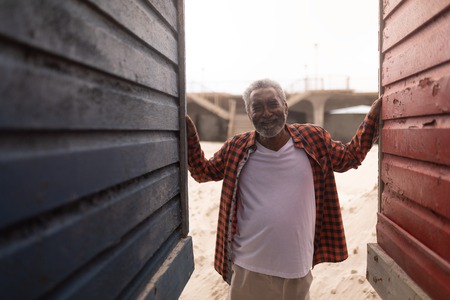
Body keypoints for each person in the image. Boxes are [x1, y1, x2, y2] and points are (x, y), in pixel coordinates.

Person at [186, 78, 381, 300]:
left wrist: (374, 115)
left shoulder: (313, 139)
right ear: (249, 115)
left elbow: (350, 157)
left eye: (273, 104)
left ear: (285, 107)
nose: (266, 113)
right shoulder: (237, 148)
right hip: (248, 268)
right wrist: (190, 136)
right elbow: (203, 172)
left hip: (297, 267)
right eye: (257, 107)